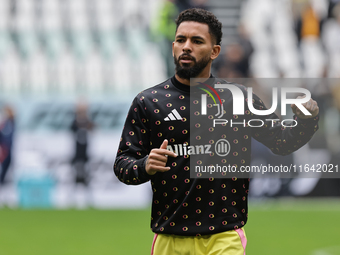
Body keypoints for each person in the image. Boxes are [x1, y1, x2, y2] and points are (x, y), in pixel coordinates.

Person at [114, 8, 319, 255]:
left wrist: (307, 120)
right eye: (181, 40)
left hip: (223, 238)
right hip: (169, 238)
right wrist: (145, 165)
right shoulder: (148, 101)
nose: (186, 46)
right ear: (173, 46)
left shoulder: (239, 99)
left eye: (197, 41)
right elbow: (123, 163)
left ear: (215, 52)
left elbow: (282, 142)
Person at [0, 105, 15, 186]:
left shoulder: (11, 122)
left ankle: (2, 181)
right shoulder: (5, 124)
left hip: (9, 148)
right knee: (5, 165)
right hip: (5, 149)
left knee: (8, 164)